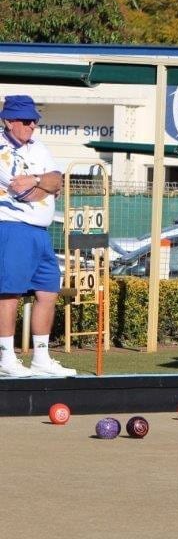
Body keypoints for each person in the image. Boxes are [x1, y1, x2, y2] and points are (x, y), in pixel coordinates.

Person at [0, 95, 76, 377]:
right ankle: (7, 360)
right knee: (9, 294)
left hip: (40, 231)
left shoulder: (38, 146)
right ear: (9, 121)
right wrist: (43, 184)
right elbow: (23, 192)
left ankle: (41, 359)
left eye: (35, 120)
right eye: (26, 121)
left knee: (48, 291)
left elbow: (58, 179)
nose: (33, 125)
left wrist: (37, 180)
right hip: (13, 228)